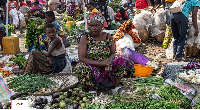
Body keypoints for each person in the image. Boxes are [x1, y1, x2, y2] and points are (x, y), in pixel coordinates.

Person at [75, 12, 135, 95]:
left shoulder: (108, 36)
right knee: (80, 67)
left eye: (97, 25)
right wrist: (102, 63)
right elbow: (82, 58)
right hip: (91, 67)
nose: (93, 28)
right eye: (91, 26)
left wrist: (109, 63)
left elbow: (113, 53)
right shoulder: (85, 38)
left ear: (102, 26)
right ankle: (92, 89)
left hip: (106, 65)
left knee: (124, 59)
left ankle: (115, 87)